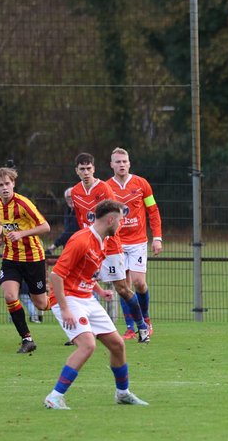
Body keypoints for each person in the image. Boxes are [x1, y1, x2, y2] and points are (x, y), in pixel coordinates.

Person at [44, 199, 149, 410]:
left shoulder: (103, 241)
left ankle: (123, 393)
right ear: (110, 219)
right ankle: (54, 397)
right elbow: (56, 276)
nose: (121, 224)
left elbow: (85, 273)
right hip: (69, 299)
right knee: (88, 345)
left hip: (86, 298)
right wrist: (64, 309)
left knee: (117, 345)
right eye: (120, 220)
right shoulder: (81, 240)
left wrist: (99, 290)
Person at [69, 152, 150, 343]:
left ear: (94, 169)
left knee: (122, 288)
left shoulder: (104, 188)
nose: (86, 172)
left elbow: (116, 217)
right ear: (77, 171)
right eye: (82, 169)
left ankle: (142, 327)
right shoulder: (75, 192)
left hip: (110, 247)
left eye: (89, 169)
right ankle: (81, 332)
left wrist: (105, 239)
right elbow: (81, 219)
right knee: (79, 285)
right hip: (89, 247)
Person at [0, 166, 50, 353]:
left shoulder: (24, 204)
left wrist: (22, 233)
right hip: (10, 258)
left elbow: (45, 227)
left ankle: (64, 297)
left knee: (41, 304)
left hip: (33, 258)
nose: (5, 187)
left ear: (13, 183)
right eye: (1, 185)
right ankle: (27, 339)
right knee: (9, 296)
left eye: (8, 183)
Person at [107, 147, 163, 338]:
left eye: (124, 161)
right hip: (116, 242)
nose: (122, 165)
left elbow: (153, 211)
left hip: (138, 241)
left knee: (139, 283)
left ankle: (145, 318)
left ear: (129, 163)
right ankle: (131, 327)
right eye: (118, 162)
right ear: (111, 165)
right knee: (123, 285)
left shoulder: (141, 184)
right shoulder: (107, 187)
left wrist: (157, 237)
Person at [47, 187, 80, 254]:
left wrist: (54, 245)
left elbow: (70, 230)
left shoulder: (79, 211)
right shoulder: (67, 211)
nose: (71, 199)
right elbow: (67, 232)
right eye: (68, 198)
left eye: (72, 196)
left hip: (78, 245)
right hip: (68, 245)